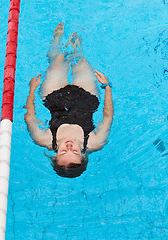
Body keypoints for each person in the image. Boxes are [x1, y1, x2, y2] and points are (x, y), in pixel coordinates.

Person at [24, 23, 114, 178]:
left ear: (55, 155)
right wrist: (106, 87)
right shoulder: (95, 142)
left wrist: (32, 90)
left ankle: (57, 38)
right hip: (87, 98)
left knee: (58, 59)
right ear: (83, 156)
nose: (69, 145)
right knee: (82, 61)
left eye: (64, 151)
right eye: (75, 151)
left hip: (54, 96)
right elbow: (108, 117)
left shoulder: (44, 139)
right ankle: (76, 42)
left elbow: (29, 117)